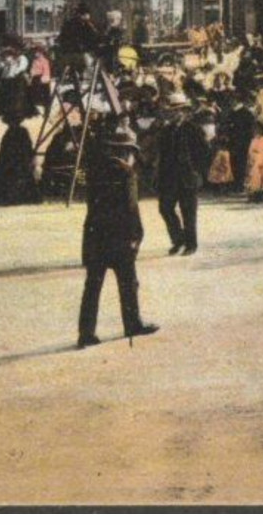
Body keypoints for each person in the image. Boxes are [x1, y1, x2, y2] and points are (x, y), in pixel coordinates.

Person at [77, 126, 158, 348]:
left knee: (92, 287)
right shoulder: (126, 173)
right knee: (128, 284)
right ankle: (132, 324)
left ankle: (86, 333)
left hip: (95, 237)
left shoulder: (94, 171)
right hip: (120, 238)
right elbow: (130, 209)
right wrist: (136, 235)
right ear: (124, 151)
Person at [157, 92, 210, 255]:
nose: (175, 113)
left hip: (188, 176)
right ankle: (178, 239)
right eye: (172, 110)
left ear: (186, 111)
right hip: (170, 177)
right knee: (165, 208)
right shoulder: (166, 130)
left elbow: (205, 153)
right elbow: (162, 155)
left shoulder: (193, 129)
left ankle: (191, 244)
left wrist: (197, 172)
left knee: (188, 212)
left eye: (179, 110)